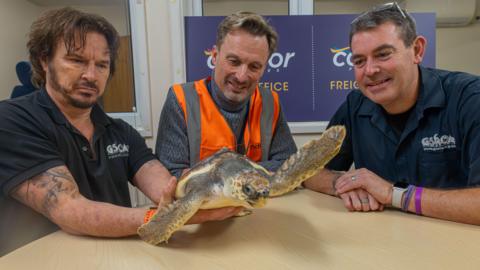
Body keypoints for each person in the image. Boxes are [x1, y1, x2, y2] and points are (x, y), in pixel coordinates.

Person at [0, 7, 240, 254]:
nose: (91, 75)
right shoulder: (12, 120)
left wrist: (201, 192)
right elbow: (70, 210)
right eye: (76, 60)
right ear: (44, 60)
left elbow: (163, 185)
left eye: (102, 65)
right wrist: (174, 217)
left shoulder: (119, 130)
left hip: (116, 256)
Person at [304, 2, 480, 225]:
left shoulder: (470, 99)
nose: (370, 70)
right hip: (382, 248)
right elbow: (309, 171)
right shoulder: (355, 104)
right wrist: (346, 184)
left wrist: (394, 194)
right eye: (359, 60)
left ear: (417, 50)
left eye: (383, 54)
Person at [156, 11, 297, 177]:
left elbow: (290, 164)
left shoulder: (269, 102)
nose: (241, 76)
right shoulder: (181, 101)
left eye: (254, 66)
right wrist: (256, 171)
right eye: (234, 62)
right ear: (215, 56)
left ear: (264, 68)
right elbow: (171, 175)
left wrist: (221, 173)